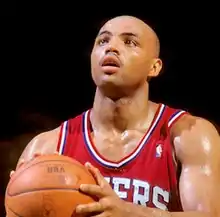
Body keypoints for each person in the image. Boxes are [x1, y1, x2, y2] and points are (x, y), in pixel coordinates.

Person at [8, 15, 220, 217]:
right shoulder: (47, 147)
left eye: (129, 42)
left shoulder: (189, 135)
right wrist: (23, 202)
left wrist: (128, 213)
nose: (111, 47)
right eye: (102, 41)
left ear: (154, 67)